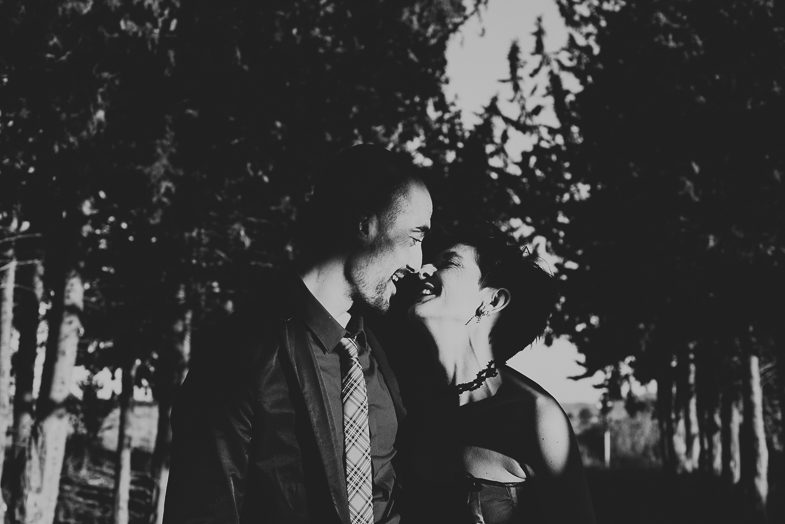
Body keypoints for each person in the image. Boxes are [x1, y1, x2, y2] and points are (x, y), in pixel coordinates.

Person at [163, 144, 433, 524]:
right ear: (364, 225)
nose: (418, 263)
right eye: (415, 238)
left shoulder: (386, 354)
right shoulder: (240, 352)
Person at [399, 227, 595, 524]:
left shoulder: (535, 417)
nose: (424, 269)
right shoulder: (404, 401)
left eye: (448, 263)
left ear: (492, 301)